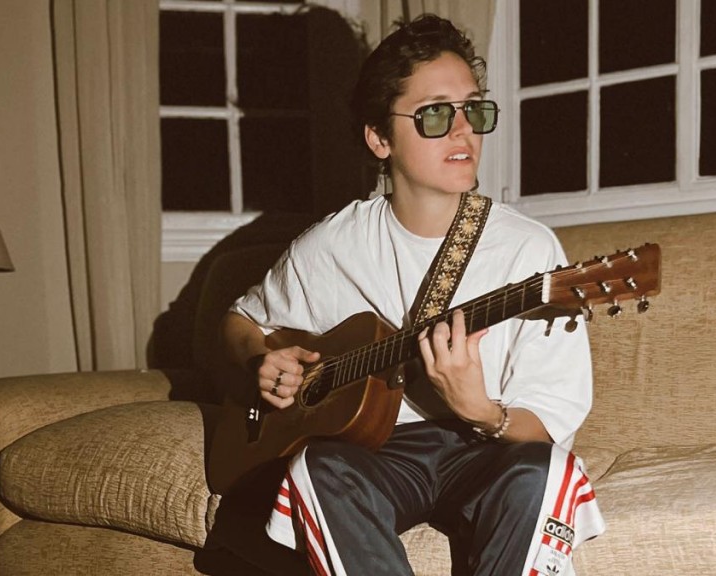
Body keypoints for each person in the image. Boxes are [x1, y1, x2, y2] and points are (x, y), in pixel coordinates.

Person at [219, 14, 604, 576]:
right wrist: (259, 357)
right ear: (379, 138)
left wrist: (480, 409)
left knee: (546, 472)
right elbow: (241, 320)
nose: (463, 131)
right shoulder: (334, 244)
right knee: (315, 470)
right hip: (378, 456)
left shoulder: (528, 249)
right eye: (435, 114)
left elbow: (547, 424)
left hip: (487, 452)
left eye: (473, 110)